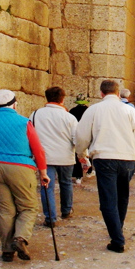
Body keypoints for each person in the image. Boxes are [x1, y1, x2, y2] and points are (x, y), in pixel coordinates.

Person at [0, 89, 49, 262]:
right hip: (21, 166)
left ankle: (7, 250)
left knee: (4, 209)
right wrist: (43, 172)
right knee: (28, 207)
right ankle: (20, 238)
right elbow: (38, 149)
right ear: (15, 103)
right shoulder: (24, 122)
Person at [75, 79, 135, 253]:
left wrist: (81, 154)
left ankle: (117, 239)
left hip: (105, 158)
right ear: (118, 93)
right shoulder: (129, 111)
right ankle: (118, 229)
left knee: (108, 199)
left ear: (101, 93)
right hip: (129, 159)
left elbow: (82, 136)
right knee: (122, 196)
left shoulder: (94, 110)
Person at [29, 86, 81, 227]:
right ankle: (66, 210)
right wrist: (83, 156)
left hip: (45, 157)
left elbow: (31, 136)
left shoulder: (35, 115)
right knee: (66, 183)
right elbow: (76, 139)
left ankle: (50, 218)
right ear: (63, 99)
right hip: (65, 156)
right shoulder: (70, 118)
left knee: (47, 186)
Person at [70, 94, 90, 184]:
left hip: (76, 134)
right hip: (87, 134)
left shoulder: (72, 111)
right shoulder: (88, 111)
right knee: (88, 153)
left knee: (77, 153)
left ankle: (78, 176)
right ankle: (89, 171)